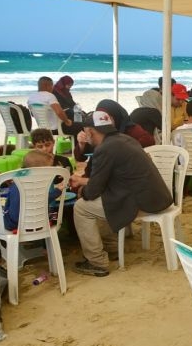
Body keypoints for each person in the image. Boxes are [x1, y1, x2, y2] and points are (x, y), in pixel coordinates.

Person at [69, 111, 173, 277]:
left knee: (81, 207)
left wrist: (81, 189)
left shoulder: (105, 148)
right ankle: (111, 248)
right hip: (155, 196)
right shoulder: (124, 139)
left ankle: (96, 262)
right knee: (104, 197)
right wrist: (83, 182)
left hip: (142, 202)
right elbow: (107, 180)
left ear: (90, 131)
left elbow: (93, 190)